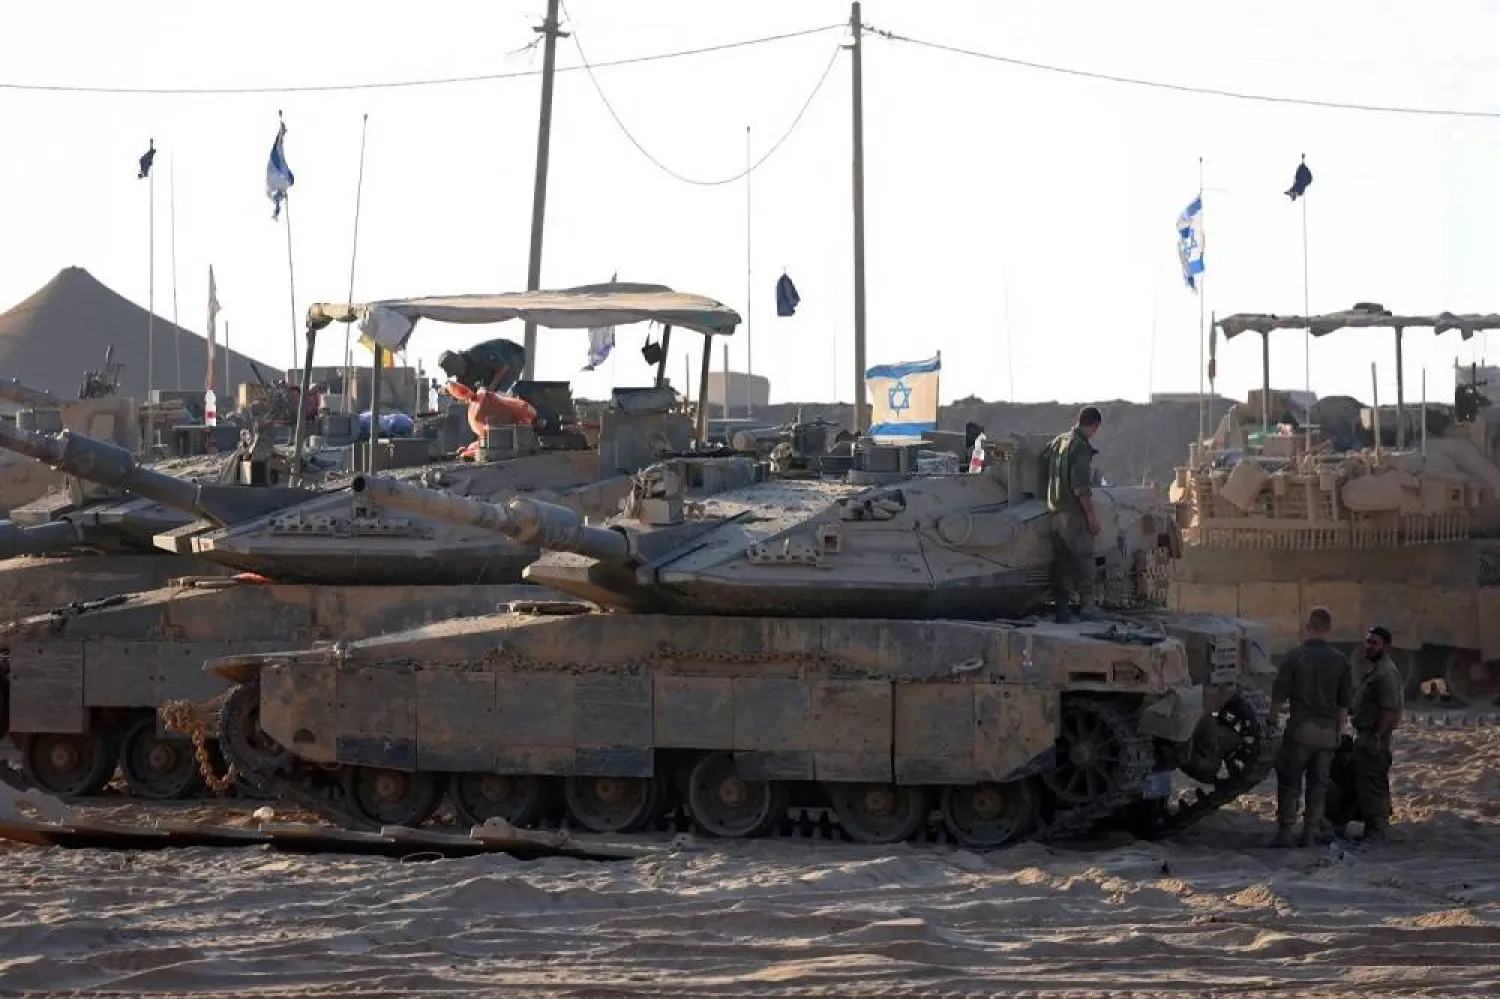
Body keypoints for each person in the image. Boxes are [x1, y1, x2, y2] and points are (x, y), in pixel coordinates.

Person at [1268, 605, 1353, 847]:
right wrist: (1338, 731)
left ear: (1308, 627)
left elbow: (1278, 694)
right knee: (1319, 784)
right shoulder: (1340, 660)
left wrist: (1272, 720)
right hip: (1327, 733)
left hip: (1300, 730)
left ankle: (1285, 831)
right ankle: (1310, 833)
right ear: (1328, 629)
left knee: (1290, 781)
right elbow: (1343, 703)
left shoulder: (1295, 656)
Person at [1040, 406, 1104, 623]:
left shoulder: (1060, 441)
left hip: (1053, 510)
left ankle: (1062, 608)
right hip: (1072, 512)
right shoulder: (1080, 448)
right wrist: (1091, 517)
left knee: (1062, 562)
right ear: (1094, 426)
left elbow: (1043, 459)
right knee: (1085, 557)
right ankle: (1087, 604)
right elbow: (1081, 488)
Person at [1344, 625, 1403, 846]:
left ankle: (1377, 832)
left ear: (1386, 646)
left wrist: (1377, 737)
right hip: (1367, 734)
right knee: (1368, 781)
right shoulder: (1377, 670)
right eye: (1367, 641)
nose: (1368, 646)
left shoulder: (1385, 673)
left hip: (1374, 736)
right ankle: (1374, 828)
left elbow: (1389, 708)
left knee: (1373, 784)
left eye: (1374, 643)